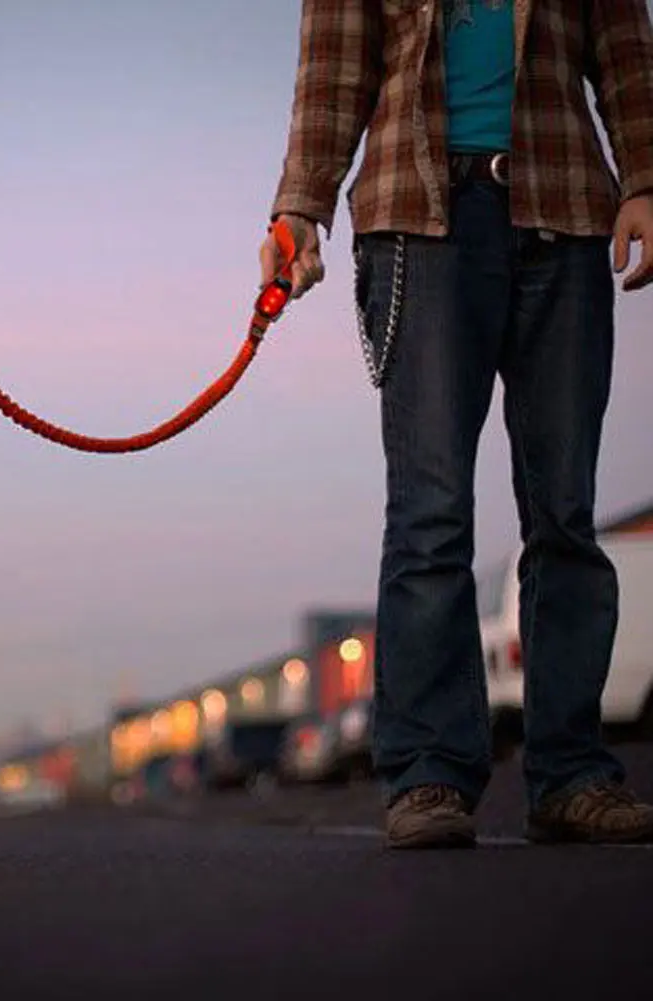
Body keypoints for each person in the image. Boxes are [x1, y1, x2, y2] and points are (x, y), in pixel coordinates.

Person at [261, 0, 653, 848]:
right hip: (419, 221)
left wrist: (645, 181)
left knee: (565, 515)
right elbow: (332, 71)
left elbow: (623, 46)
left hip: (567, 210)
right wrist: (300, 206)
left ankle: (571, 774)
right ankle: (429, 774)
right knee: (430, 515)